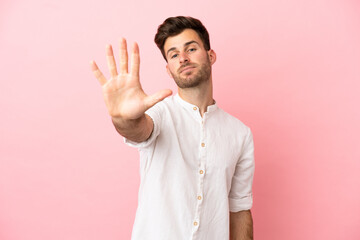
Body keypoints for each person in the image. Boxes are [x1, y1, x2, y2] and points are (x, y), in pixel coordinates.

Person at [90, 16, 255, 240]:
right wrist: (123, 118)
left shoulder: (240, 134)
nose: (183, 59)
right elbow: (138, 130)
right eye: (174, 54)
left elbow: (239, 208)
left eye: (191, 49)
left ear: (211, 55)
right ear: (169, 69)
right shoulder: (160, 113)